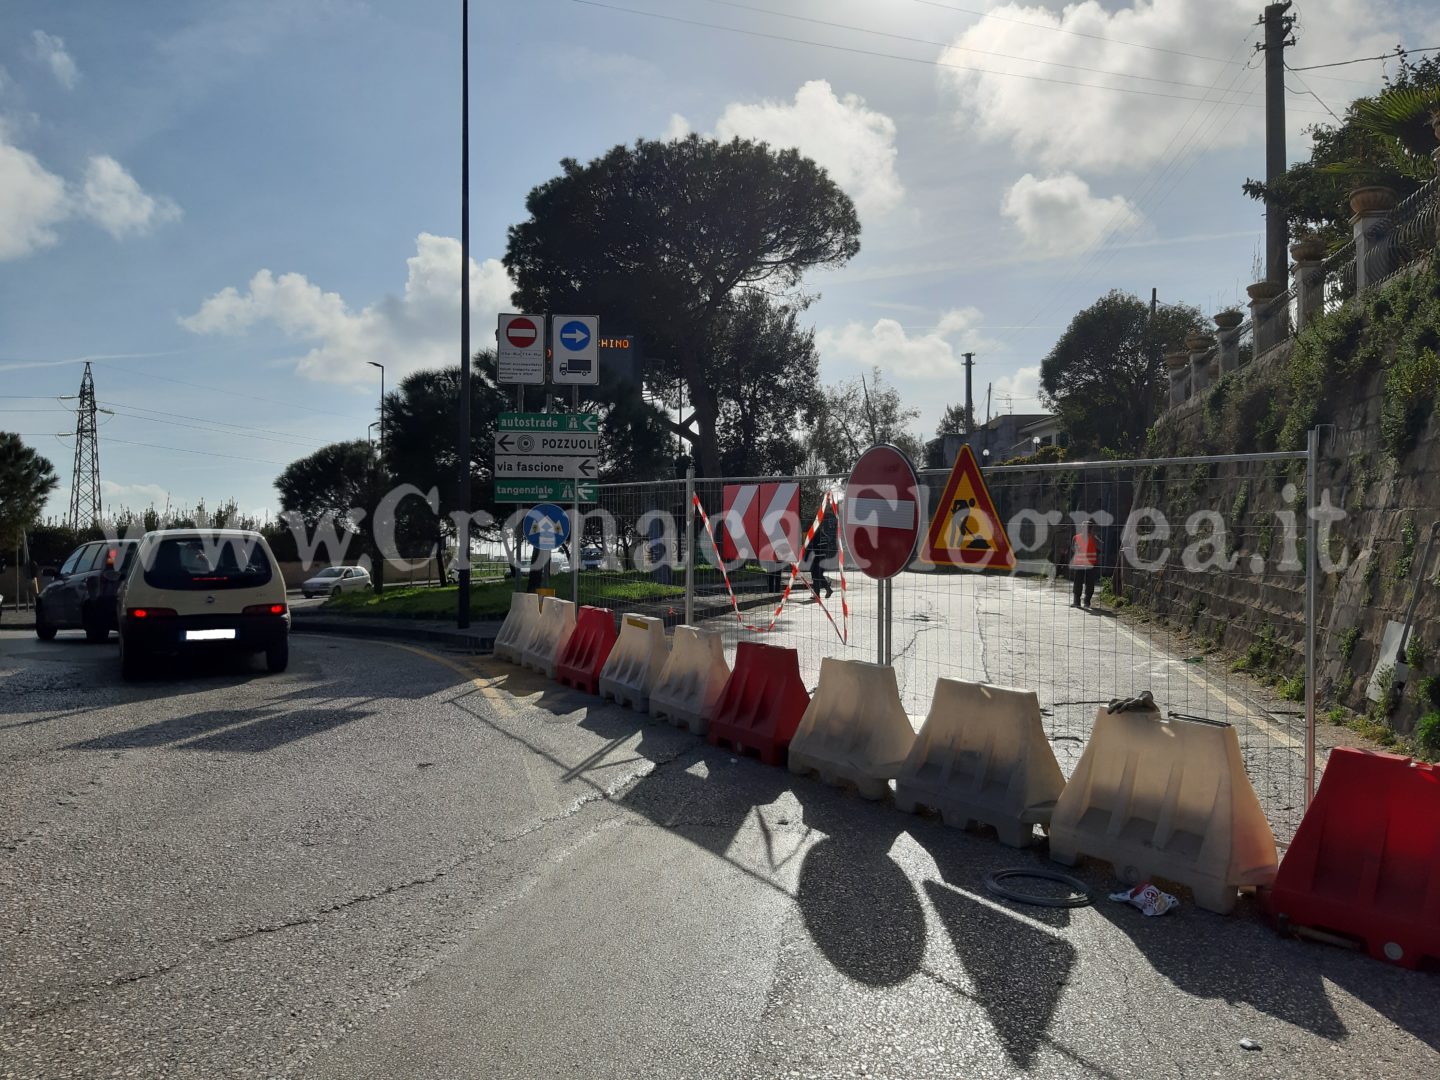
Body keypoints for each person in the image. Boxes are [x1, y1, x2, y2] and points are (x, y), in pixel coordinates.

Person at [1070, 518, 1100, 608]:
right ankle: (1077, 602)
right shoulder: (1076, 537)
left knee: (1089, 583)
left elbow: (1100, 548)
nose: (1087, 529)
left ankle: (1086, 602)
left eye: (1089, 527)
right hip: (1080, 564)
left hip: (1091, 564)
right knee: (1078, 583)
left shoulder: (1094, 538)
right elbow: (1072, 548)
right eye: (1086, 527)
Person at [809, 506, 837, 600]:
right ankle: (825, 590)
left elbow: (815, 547)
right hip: (822, 557)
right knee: (817, 575)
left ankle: (820, 593)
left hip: (819, 557)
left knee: (816, 576)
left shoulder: (817, 535)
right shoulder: (823, 535)